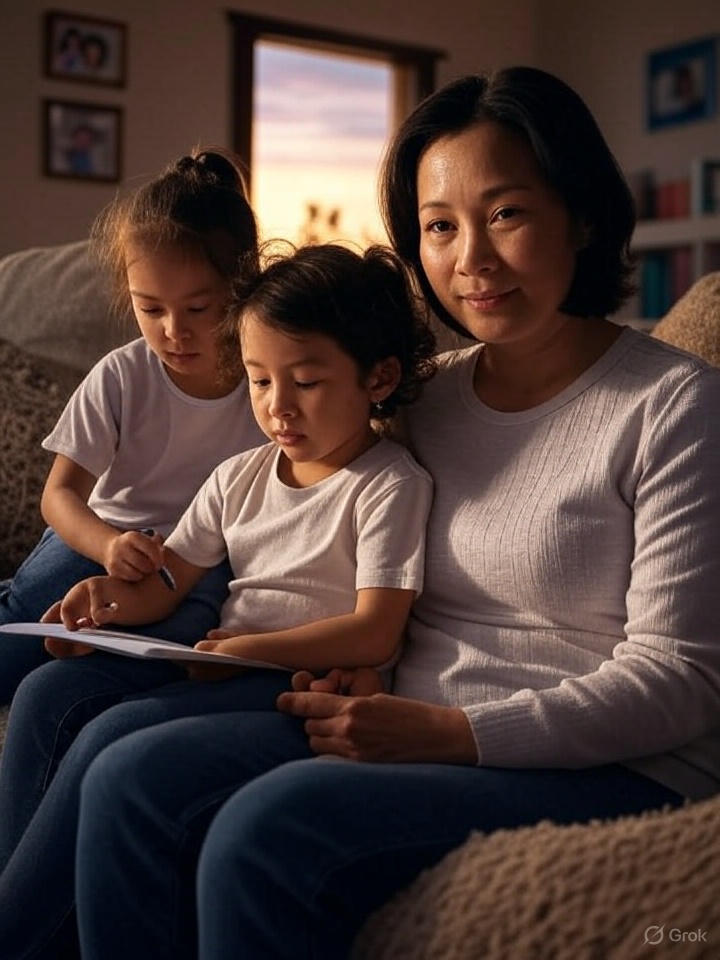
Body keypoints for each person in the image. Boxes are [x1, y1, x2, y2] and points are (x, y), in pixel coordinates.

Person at [14, 64, 720, 959]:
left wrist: (457, 731)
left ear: (580, 213)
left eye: (505, 213)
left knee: (263, 828)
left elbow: (683, 682)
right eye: (438, 226)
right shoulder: (426, 395)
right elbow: (326, 534)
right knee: (129, 768)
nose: (471, 259)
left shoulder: (676, 406)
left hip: (606, 763)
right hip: (389, 712)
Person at [0, 243, 435, 959]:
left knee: (115, 742)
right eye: (260, 383)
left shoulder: (387, 484)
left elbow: (373, 631)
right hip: (227, 667)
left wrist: (246, 651)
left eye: (306, 383)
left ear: (379, 377)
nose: (278, 408)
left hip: (293, 689)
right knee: (56, 691)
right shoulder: (240, 475)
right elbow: (168, 579)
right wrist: (104, 602)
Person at [0, 147, 264, 706]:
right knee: (23, 635)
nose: (174, 331)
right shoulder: (123, 375)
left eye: (198, 309)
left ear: (242, 287)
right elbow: (60, 494)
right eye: (151, 309)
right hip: (100, 540)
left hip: (196, 565)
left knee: (206, 606)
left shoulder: (269, 383)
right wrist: (109, 544)